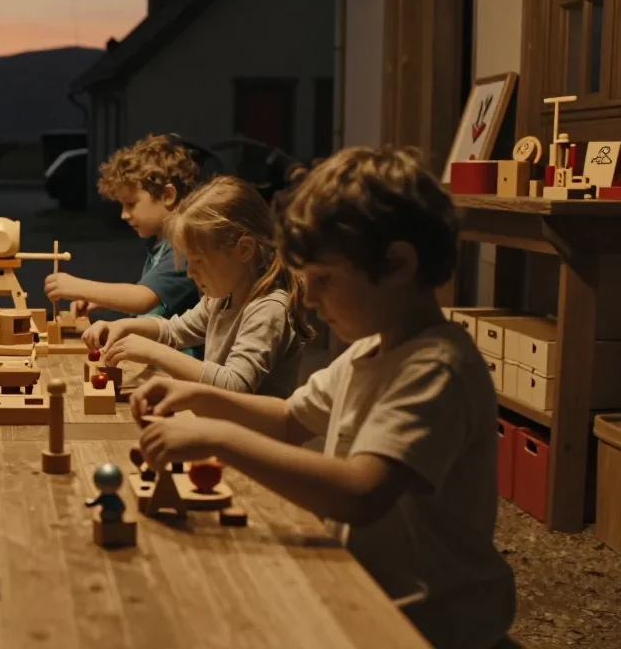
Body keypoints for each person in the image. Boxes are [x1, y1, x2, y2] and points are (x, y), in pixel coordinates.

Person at [130, 147, 515, 649]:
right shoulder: (371, 351)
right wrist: (195, 396)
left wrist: (216, 436)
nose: (308, 299)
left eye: (323, 281)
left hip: (434, 622)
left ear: (397, 264)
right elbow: (291, 418)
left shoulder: (436, 368)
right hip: (374, 592)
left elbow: (361, 493)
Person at [83, 176, 310, 399]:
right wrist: (124, 326)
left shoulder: (269, 309)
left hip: (252, 436)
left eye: (198, 260)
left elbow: (235, 385)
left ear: (244, 250)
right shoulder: (223, 297)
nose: (190, 272)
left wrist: (154, 352)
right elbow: (175, 331)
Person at [44, 134, 202, 324]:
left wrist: (77, 286)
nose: (124, 215)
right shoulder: (159, 241)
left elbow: (142, 298)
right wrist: (100, 300)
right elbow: (153, 294)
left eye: (130, 204)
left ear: (167, 195)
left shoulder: (183, 244)